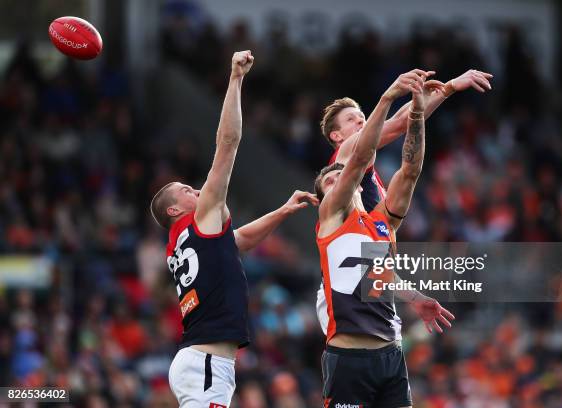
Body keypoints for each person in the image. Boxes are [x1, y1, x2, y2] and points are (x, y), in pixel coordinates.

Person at [150, 50, 318, 407]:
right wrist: (236, 79)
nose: (195, 189)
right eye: (185, 189)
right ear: (175, 208)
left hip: (202, 359)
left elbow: (237, 241)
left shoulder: (182, 240)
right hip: (207, 361)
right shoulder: (197, 219)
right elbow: (228, 145)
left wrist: (283, 211)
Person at [314, 69, 454, 407]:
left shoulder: (379, 220)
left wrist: (420, 108)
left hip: (387, 345)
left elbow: (410, 171)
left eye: (363, 117)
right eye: (353, 119)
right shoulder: (333, 210)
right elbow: (369, 147)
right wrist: (389, 96)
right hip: (346, 330)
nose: (337, 184)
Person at [316, 69, 492, 334]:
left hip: (368, 280)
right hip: (343, 288)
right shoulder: (347, 152)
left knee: (387, 354)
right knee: (363, 360)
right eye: (353, 120)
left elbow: (402, 121)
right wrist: (450, 89)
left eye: (363, 117)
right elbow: (399, 124)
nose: (362, 123)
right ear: (336, 136)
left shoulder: (371, 181)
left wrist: (439, 92)